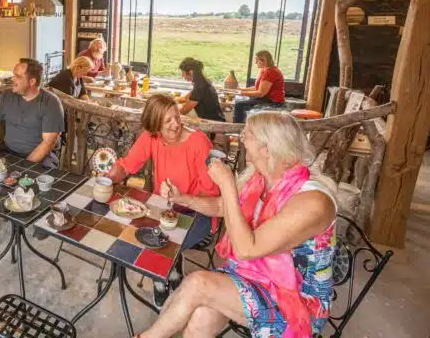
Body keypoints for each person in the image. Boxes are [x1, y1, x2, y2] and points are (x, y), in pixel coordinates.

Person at [137, 111, 337, 338]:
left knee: (198, 283)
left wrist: (227, 184)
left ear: (267, 148)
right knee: (201, 315)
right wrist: (181, 198)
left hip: (295, 301)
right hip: (252, 275)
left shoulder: (313, 202)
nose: (242, 138)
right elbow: (222, 207)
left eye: (247, 134)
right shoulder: (260, 179)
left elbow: (246, 249)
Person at [105, 94, 220, 307]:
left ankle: (160, 278)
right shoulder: (152, 137)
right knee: (135, 226)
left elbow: (212, 196)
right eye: (168, 121)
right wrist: (107, 179)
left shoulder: (199, 143)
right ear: (155, 126)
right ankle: (172, 272)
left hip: (198, 212)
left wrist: (183, 198)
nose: (176, 124)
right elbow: (127, 165)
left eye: (177, 117)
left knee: (156, 238)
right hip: (165, 208)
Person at [0, 58, 64, 249]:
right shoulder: (6, 96)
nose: (13, 79)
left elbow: (48, 143)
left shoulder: (50, 102)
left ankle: (42, 218)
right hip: (8, 152)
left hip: (40, 156)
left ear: (32, 81)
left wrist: (23, 167)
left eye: (18, 76)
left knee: (44, 180)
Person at [234, 50, 285, 123]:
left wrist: (242, 93)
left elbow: (261, 93)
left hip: (273, 102)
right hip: (265, 99)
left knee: (239, 105)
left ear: (264, 60)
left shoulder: (271, 72)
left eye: (257, 60)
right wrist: (242, 89)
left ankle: (239, 127)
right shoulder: (264, 70)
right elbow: (256, 87)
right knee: (238, 100)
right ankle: (245, 124)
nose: (255, 62)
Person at [177, 57, 225, 122]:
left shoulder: (199, 88)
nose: (182, 75)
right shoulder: (203, 82)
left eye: (183, 72)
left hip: (212, 123)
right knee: (180, 108)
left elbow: (184, 111)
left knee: (179, 116)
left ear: (191, 72)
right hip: (218, 119)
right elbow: (185, 98)